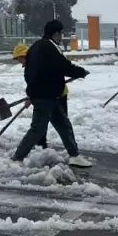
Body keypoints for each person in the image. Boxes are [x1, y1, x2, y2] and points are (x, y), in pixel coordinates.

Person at [12, 20, 91, 167]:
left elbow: (30, 72)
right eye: (61, 33)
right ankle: (18, 157)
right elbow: (63, 66)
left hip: (49, 94)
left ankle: (74, 155)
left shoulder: (36, 46)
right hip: (44, 96)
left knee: (63, 125)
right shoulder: (50, 47)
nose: (61, 37)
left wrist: (31, 92)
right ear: (56, 33)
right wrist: (80, 72)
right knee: (38, 128)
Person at [13, 42, 68, 150]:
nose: (19, 62)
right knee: (42, 121)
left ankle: (70, 148)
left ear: (24, 56)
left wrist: (32, 97)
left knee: (61, 122)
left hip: (58, 95)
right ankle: (41, 144)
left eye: (19, 59)